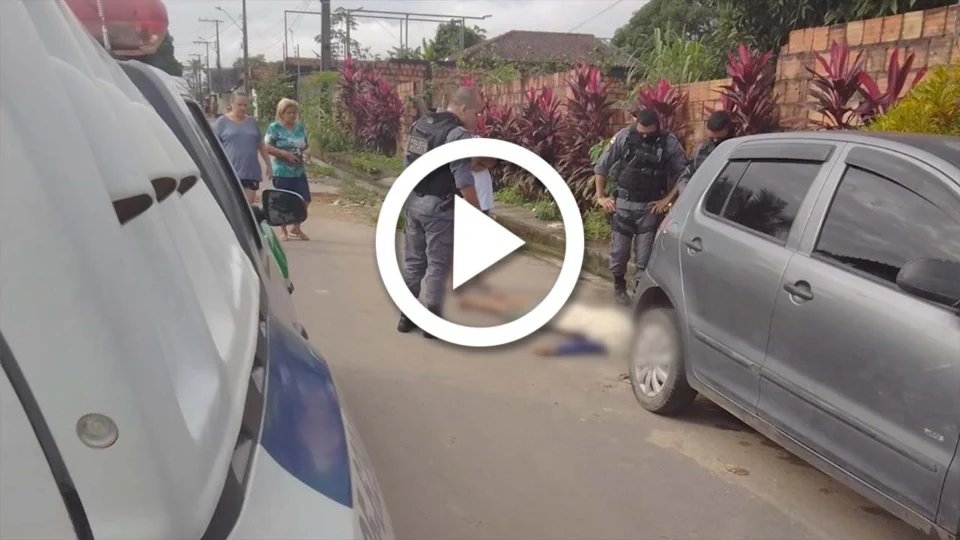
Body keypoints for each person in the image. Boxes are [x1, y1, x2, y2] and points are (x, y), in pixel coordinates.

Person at [397, 87, 484, 340]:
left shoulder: (420, 125)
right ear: (464, 109)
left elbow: (407, 164)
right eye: (476, 113)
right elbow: (464, 181)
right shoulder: (458, 135)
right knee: (437, 265)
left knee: (414, 264)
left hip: (413, 203)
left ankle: (406, 317)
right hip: (439, 208)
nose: (477, 119)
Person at [594, 108, 688, 305]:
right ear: (636, 125)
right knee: (619, 252)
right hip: (624, 205)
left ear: (657, 126)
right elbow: (602, 166)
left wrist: (668, 200)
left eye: (649, 132)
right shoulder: (624, 137)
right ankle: (619, 285)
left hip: (649, 207)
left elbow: (683, 174)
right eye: (641, 131)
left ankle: (639, 292)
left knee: (644, 256)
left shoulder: (668, 142)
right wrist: (601, 196)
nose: (645, 136)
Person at [456, 291, 633, 358]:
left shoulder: (624, 323)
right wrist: (554, 351)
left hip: (574, 313)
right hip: (566, 321)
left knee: (527, 307)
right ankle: (477, 304)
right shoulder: (619, 342)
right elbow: (584, 346)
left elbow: (585, 343)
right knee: (519, 314)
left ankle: (500, 300)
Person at [265, 98, 311, 241]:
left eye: (294, 112)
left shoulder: (300, 128)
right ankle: (283, 230)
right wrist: (284, 154)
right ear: (281, 113)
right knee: (283, 200)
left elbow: (306, 145)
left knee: (305, 199)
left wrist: (308, 151)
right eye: (288, 112)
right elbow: (267, 147)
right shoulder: (274, 128)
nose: (292, 115)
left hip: (298, 170)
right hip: (282, 170)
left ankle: (296, 227)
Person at [213, 91, 271, 204]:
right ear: (231, 103)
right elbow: (214, 147)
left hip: (250, 171)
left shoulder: (252, 122)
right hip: (230, 171)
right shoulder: (222, 122)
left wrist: (268, 164)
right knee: (233, 205)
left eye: (245, 105)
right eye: (239, 105)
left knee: (248, 207)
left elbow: (261, 145)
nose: (242, 108)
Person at [677, 111, 735, 195]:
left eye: (719, 138)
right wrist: (686, 193)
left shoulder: (739, 150)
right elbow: (686, 175)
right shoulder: (703, 150)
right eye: (712, 138)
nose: (715, 141)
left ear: (729, 131)